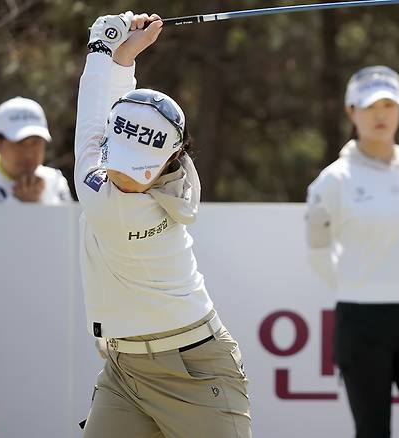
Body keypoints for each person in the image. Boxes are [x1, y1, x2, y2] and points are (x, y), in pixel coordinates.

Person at [76, 12, 250, 437]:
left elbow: (92, 125)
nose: (122, 174)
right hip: (124, 369)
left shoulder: (109, 203)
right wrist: (124, 59)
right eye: (119, 158)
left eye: (137, 166)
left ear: (164, 164)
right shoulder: (171, 179)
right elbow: (108, 123)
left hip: (195, 370)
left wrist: (102, 49)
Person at [305, 66, 399, 438]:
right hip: (361, 322)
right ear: (351, 111)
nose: (380, 115)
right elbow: (317, 250)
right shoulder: (333, 180)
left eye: (389, 105)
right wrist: (355, 285)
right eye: (370, 106)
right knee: (372, 431)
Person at [0, 96, 72, 204]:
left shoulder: (55, 182)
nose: (29, 153)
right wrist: (21, 203)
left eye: (36, 142)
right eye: (19, 143)